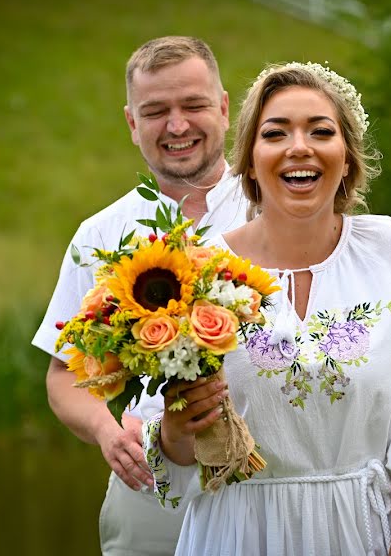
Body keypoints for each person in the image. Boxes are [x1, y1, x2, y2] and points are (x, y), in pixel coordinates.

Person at [143, 62, 391, 555]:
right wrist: (174, 430)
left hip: (371, 530)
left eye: (321, 131)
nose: (300, 146)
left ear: (347, 157)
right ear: (250, 162)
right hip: (238, 535)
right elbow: (170, 450)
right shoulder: (193, 265)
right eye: (275, 133)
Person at [32, 36, 248, 556]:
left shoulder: (276, 208)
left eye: (193, 105)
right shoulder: (99, 235)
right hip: (151, 490)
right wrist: (107, 432)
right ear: (132, 123)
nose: (177, 126)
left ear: (223, 108)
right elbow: (66, 375)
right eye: (156, 112)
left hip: (274, 484)